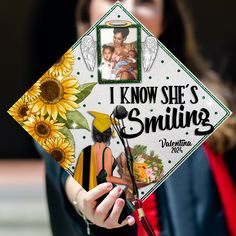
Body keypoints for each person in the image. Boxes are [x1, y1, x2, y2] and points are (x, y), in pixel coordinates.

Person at [34, 0, 236, 235]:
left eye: (145, 1)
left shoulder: (209, 104)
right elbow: (63, 168)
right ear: (87, 15)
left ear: (165, 20)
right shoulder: (63, 103)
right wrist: (84, 200)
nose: (128, 12)